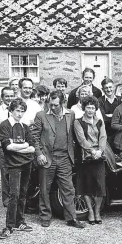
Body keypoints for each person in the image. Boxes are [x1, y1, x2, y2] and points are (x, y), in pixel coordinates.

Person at [33, 90, 85, 228]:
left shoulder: (71, 114)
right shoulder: (41, 115)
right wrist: (39, 154)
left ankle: (71, 218)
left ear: (63, 103)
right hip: (47, 157)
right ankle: (45, 216)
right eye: (51, 104)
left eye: (56, 105)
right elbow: (34, 137)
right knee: (45, 189)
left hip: (64, 158)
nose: (53, 107)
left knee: (68, 189)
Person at [0, 98, 36, 239]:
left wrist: (20, 146)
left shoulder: (25, 127)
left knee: (23, 194)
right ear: (11, 110)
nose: (19, 114)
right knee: (14, 195)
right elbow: (7, 147)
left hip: (27, 164)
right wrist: (24, 145)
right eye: (17, 110)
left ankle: (20, 222)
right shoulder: (5, 126)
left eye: (22, 111)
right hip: (13, 165)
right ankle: (8, 226)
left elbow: (32, 147)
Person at [73, 96, 107, 225]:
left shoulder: (99, 122)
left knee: (100, 186)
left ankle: (97, 211)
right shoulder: (78, 122)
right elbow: (81, 140)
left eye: (93, 108)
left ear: (95, 109)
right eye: (88, 107)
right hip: (85, 157)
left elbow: (103, 137)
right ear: (84, 108)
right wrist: (92, 151)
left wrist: (100, 151)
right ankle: (91, 212)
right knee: (86, 186)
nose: (90, 110)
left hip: (98, 157)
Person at [98, 78, 120, 150]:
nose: (109, 89)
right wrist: (116, 117)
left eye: (110, 87)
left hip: (119, 132)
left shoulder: (120, 99)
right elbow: (103, 118)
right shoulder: (100, 101)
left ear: (114, 87)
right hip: (106, 132)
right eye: (106, 88)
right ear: (103, 89)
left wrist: (110, 116)